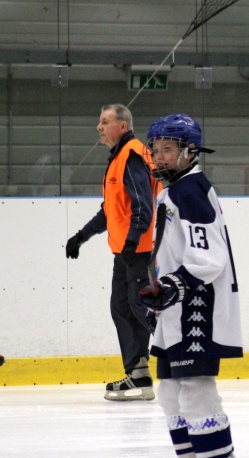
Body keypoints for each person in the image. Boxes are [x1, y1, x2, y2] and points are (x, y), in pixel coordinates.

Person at [137, 114, 245, 458]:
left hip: (197, 307)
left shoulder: (191, 189)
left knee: (196, 393)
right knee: (171, 395)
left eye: (168, 149)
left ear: (190, 151)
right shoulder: (173, 190)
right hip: (175, 310)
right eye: (156, 149)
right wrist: (159, 294)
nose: (160, 156)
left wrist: (173, 286)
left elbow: (209, 257)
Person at [65, 104, 160, 401]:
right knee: (122, 307)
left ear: (122, 126)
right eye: (100, 121)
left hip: (139, 251)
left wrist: (132, 241)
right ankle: (138, 373)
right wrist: (81, 237)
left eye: (105, 121)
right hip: (126, 252)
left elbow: (144, 204)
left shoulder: (131, 156)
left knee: (141, 308)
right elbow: (111, 211)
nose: (99, 127)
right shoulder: (118, 159)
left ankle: (181, 361)